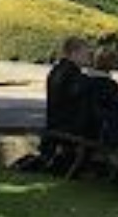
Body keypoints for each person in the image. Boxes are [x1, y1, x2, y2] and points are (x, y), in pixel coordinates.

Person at [39, 36, 98, 172]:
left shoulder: (57, 70)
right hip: (68, 126)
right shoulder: (73, 74)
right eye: (86, 53)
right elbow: (78, 101)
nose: (89, 57)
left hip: (55, 123)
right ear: (74, 53)